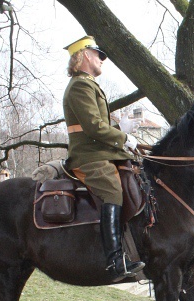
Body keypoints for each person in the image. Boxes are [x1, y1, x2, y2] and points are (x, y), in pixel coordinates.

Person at [61, 35, 144, 282]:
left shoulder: (87, 85)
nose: (102, 60)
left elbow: (98, 124)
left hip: (101, 152)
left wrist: (122, 128)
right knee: (112, 190)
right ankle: (115, 260)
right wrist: (123, 137)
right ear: (86, 55)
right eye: (98, 55)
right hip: (89, 157)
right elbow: (94, 127)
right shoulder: (80, 86)